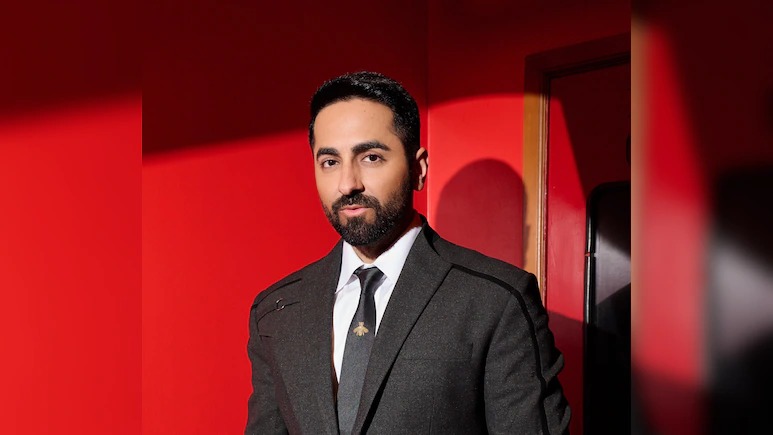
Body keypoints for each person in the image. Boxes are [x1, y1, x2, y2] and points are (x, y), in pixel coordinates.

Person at [246, 71, 570, 434]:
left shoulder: (497, 301)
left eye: (370, 157)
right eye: (330, 162)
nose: (347, 184)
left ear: (418, 169)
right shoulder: (276, 311)